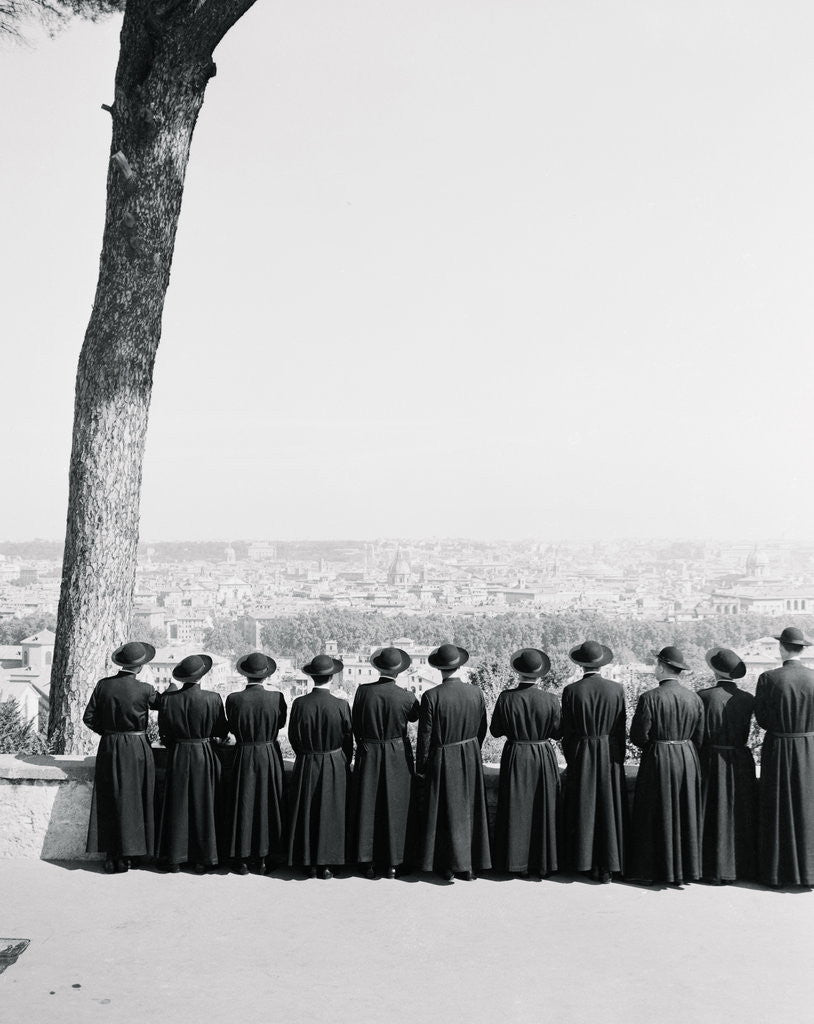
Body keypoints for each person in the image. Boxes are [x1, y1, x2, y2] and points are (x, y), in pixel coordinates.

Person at [629, 646, 704, 886]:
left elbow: (638, 736)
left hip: (658, 756)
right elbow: (700, 735)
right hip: (686, 756)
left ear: (661, 667)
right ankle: (684, 871)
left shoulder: (650, 697)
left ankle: (651, 870)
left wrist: (656, 747)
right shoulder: (694, 697)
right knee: (684, 811)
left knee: (654, 811)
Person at [416, 643, 491, 882]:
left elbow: (425, 736)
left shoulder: (431, 696)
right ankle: (468, 866)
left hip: (442, 756)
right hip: (470, 754)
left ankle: (447, 865)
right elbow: (482, 729)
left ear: (439, 669)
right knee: (469, 811)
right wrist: (471, 750)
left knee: (444, 813)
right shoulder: (476, 692)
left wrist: (422, 766)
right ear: (460, 665)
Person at [83, 641, 159, 874]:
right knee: (136, 799)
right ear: (140, 667)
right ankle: (130, 855)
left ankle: (111, 855)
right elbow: (163, 704)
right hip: (137, 747)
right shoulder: (145, 689)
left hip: (110, 746)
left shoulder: (103, 686)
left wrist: (108, 733)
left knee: (110, 798)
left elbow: (88, 718)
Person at [489, 648, 561, 879]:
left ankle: (514, 862)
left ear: (516, 671)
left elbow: (495, 731)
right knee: (543, 808)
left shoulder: (506, 697)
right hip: (542, 754)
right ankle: (542, 863)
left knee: (515, 808)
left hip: (516, 754)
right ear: (539, 674)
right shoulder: (550, 699)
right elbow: (558, 733)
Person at [561, 640, 628, 883]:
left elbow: (566, 732)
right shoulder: (617, 689)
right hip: (609, 752)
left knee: (585, 808)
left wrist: (573, 757)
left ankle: (585, 863)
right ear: (602, 663)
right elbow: (621, 729)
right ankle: (609, 865)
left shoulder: (571, 691)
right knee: (608, 809)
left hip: (583, 753)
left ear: (580, 665)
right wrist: (617, 756)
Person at [349, 646, 419, 878]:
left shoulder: (362, 692)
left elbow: (355, 723)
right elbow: (415, 716)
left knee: (368, 806)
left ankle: (367, 862)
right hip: (397, 753)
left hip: (369, 750)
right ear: (399, 671)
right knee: (396, 807)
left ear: (377, 668)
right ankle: (394, 863)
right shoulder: (407, 696)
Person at [156, 654, 229, 873]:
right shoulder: (213, 698)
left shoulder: (169, 700)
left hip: (178, 753)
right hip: (204, 754)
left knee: (177, 805)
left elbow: (164, 734)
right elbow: (222, 731)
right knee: (204, 805)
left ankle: (175, 858)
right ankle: (202, 858)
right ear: (202, 676)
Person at [755, 625, 814, 887]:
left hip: (778, 747)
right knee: (808, 806)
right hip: (809, 748)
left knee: (776, 805)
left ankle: (776, 873)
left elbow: (763, 719)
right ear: (802, 649)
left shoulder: (769, 678)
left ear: (781, 648)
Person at [287, 654, 353, 879]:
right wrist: (342, 760)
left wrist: (305, 754)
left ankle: (309, 862)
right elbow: (348, 740)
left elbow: (293, 737)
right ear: (332, 677)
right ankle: (328, 864)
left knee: (307, 810)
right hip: (333, 761)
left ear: (311, 677)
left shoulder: (299, 704)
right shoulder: (341, 705)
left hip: (307, 760)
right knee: (331, 813)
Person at [224, 651, 288, 875]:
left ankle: (242, 858)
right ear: (265, 675)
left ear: (245, 675)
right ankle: (264, 858)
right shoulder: (276, 698)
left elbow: (230, 727)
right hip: (268, 753)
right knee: (269, 804)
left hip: (243, 754)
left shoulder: (233, 699)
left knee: (243, 803)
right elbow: (280, 723)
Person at [697, 647, 757, 884]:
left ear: (714, 670)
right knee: (739, 811)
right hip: (740, 759)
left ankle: (711, 868)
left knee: (711, 811)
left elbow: (699, 734)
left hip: (711, 758)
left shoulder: (703, 695)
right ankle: (740, 867)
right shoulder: (747, 699)